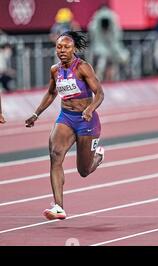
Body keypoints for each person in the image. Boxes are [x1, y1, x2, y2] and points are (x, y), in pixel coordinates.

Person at [25, 31, 105, 220]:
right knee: (55, 156)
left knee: (83, 171)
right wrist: (36, 113)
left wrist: (90, 109)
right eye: (59, 47)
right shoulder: (55, 70)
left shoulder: (83, 68)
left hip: (86, 120)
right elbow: (51, 93)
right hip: (66, 118)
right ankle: (59, 207)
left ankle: (98, 157)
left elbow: (100, 93)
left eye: (66, 47)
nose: (62, 50)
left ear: (74, 49)